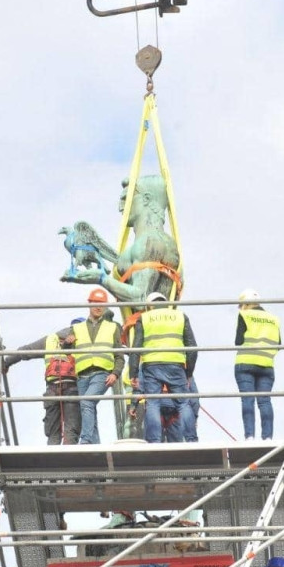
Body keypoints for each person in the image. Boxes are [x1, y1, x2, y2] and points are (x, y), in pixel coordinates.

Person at [61, 175, 180, 304]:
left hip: (147, 321)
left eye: (126, 199)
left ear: (146, 199)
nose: (121, 207)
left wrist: (101, 279)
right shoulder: (157, 241)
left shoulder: (150, 242)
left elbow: (140, 297)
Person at [129, 292, 197, 443]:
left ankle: (153, 441)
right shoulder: (180, 316)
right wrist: (189, 372)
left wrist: (133, 373)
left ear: (149, 305)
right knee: (183, 403)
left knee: (152, 403)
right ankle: (192, 439)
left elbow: (136, 348)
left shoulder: (145, 318)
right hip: (175, 363)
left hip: (152, 365)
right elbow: (192, 347)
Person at [3, 319, 84, 445]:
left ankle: (53, 460)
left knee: (53, 433)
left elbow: (26, 350)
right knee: (71, 431)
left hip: (52, 389)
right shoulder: (84, 341)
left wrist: (6, 362)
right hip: (73, 388)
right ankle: (69, 461)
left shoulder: (50, 339)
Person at [68, 288, 125, 444]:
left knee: (87, 402)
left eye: (102, 304)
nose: (98, 307)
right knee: (88, 408)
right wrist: (68, 344)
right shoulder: (76, 328)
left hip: (102, 374)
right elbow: (69, 353)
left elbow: (119, 356)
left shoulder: (112, 327)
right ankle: (96, 445)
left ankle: (85, 441)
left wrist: (115, 373)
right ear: (89, 304)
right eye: (95, 303)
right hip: (82, 376)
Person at [235, 288, 281, 441]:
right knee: (265, 401)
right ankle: (267, 437)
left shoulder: (245, 315)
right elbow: (278, 343)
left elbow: (239, 341)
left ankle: (249, 436)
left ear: (244, 303)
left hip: (246, 363)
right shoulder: (273, 319)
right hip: (267, 364)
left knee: (248, 399)